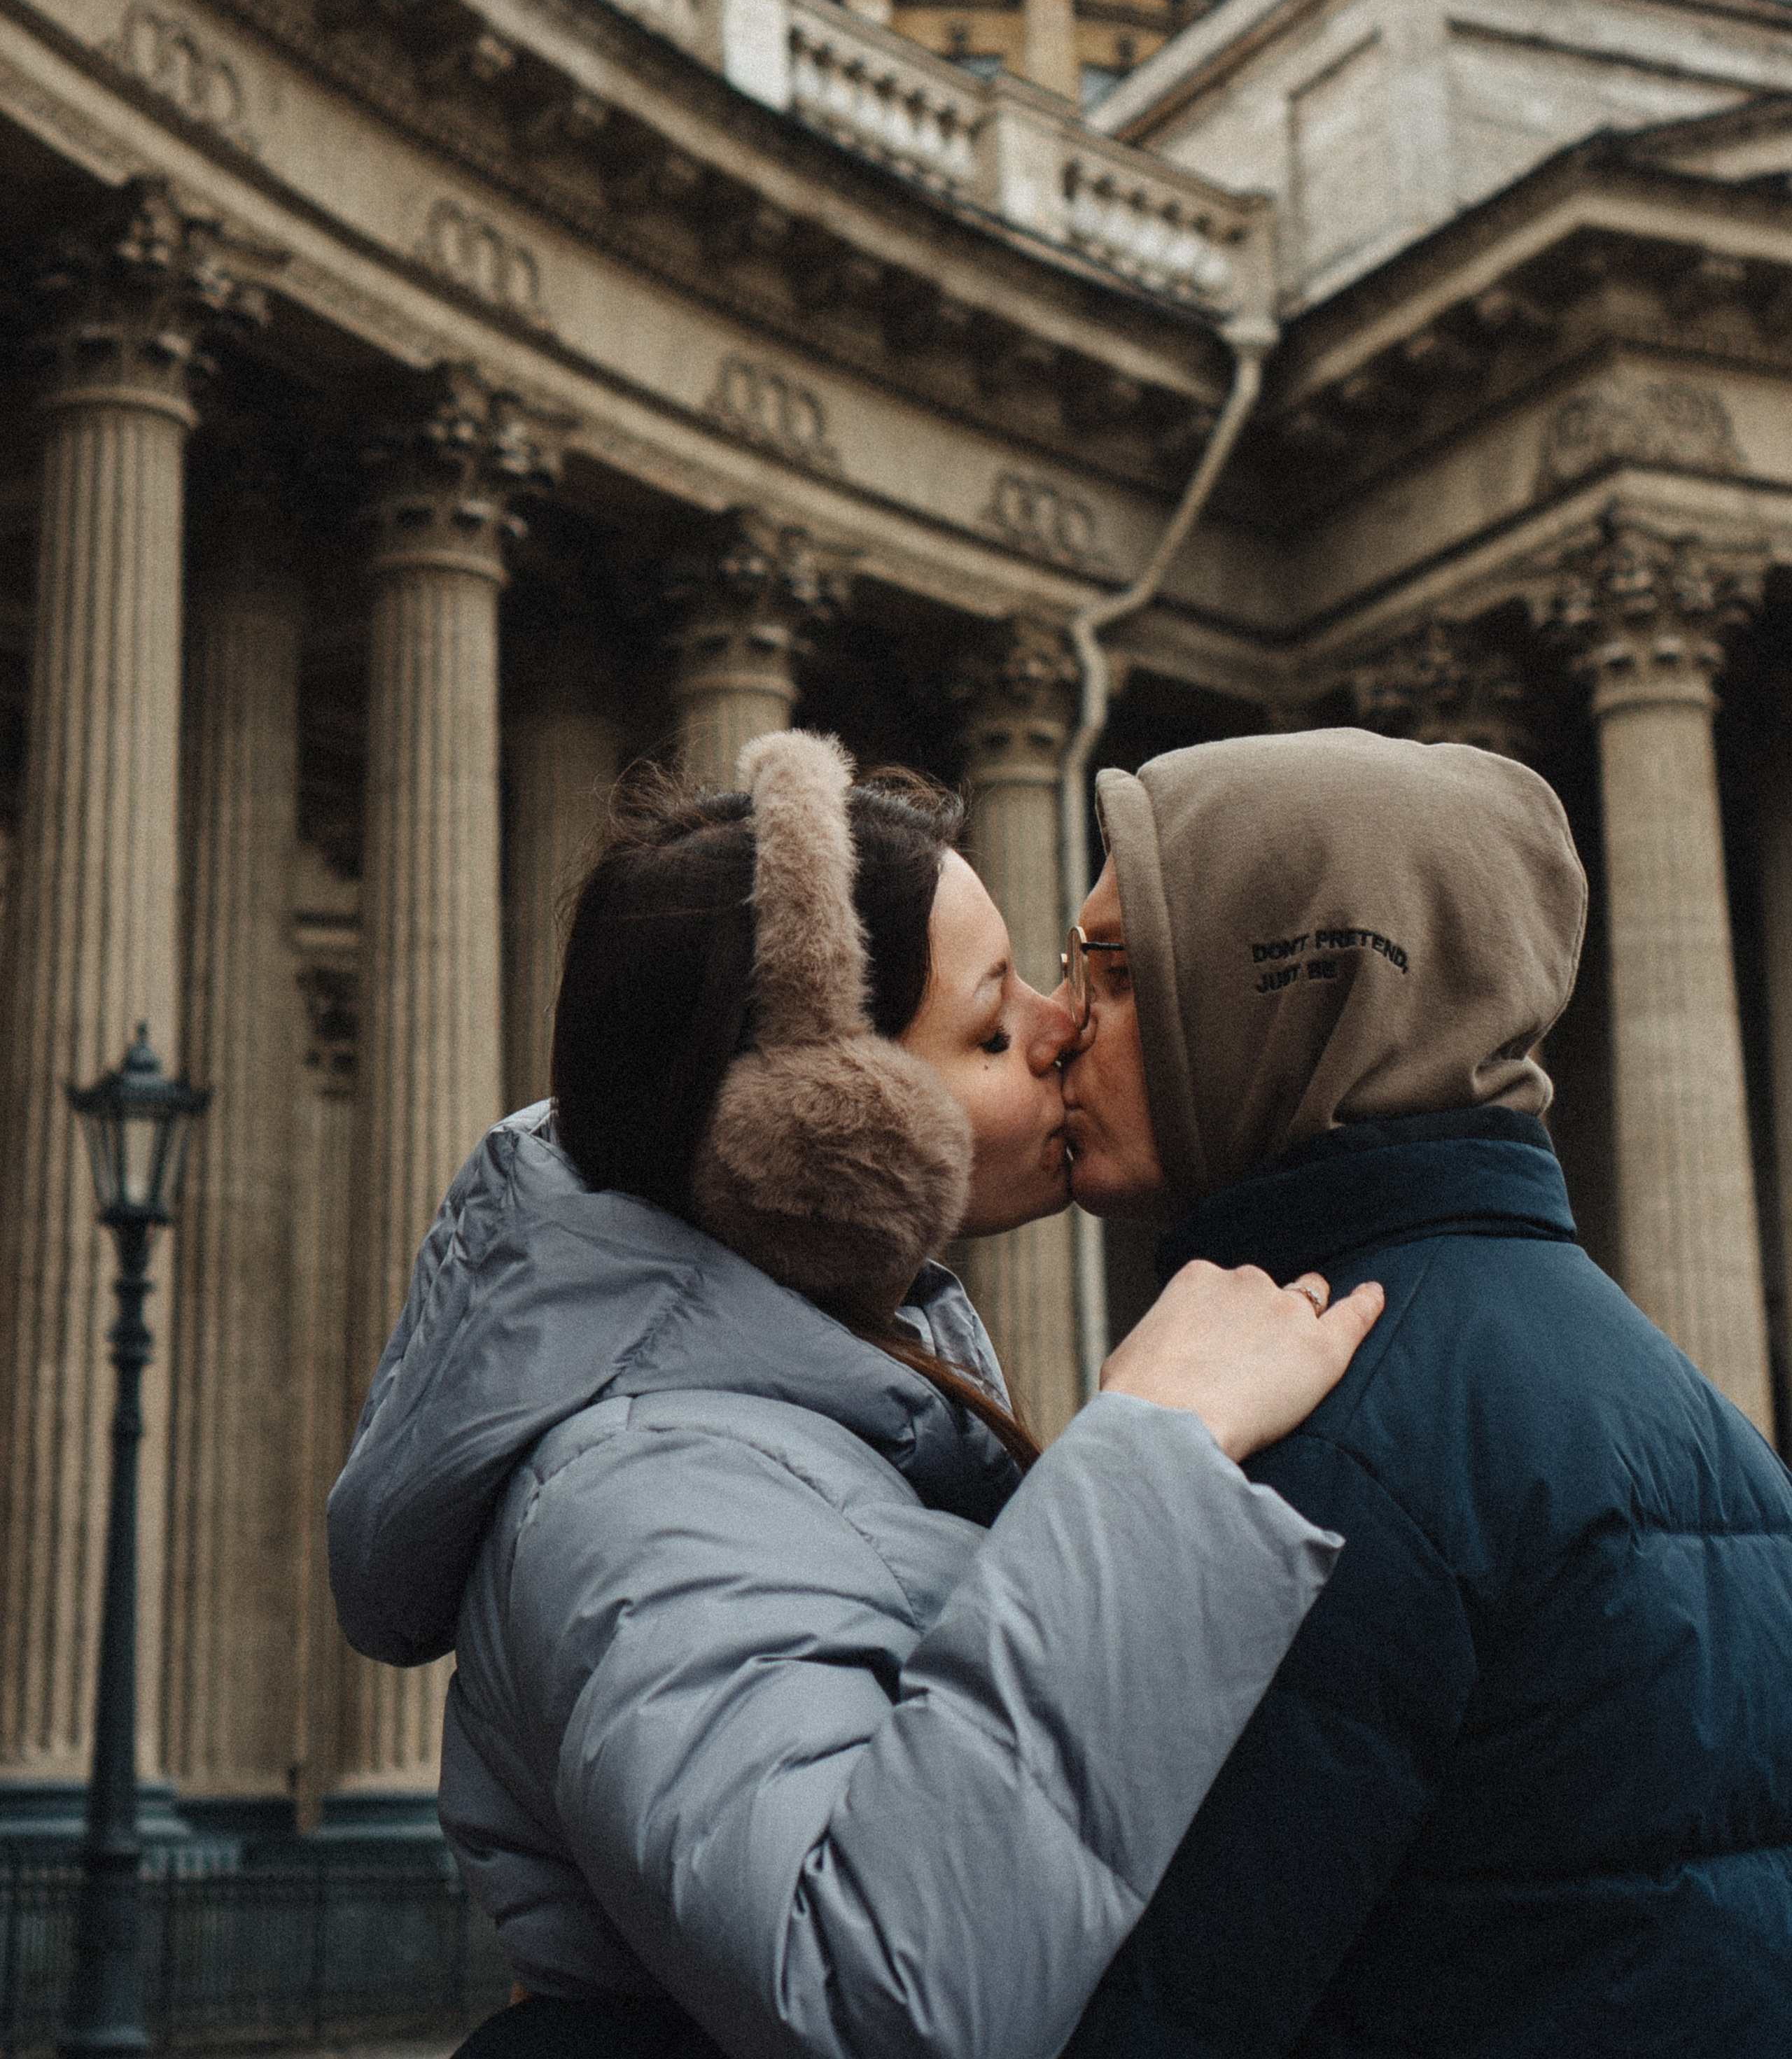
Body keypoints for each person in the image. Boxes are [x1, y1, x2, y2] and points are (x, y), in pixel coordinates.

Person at [328, 732, 1382, 2059]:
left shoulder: (797, 1418)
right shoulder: (644, 1493)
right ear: (832, 1132)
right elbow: (877, 1998)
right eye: (992, 1026)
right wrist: (1151, 1461)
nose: (1062, 1028)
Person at [1059, 726, 1792, 2059]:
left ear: (1275, 994)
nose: (1059, 1028)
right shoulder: (1710, 1428)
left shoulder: (1319, 1444)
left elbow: (1146, 2011)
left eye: (1112, 970)